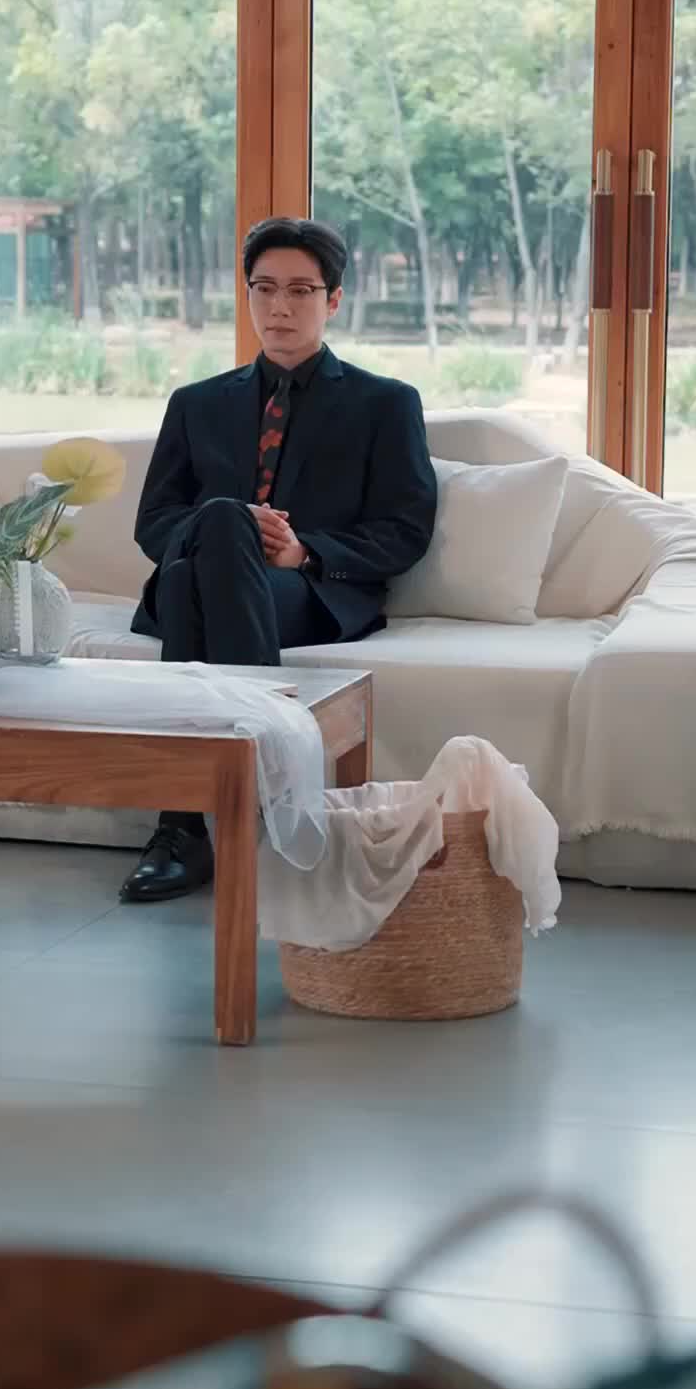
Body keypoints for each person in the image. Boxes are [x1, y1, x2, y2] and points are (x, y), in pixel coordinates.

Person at [120, 215, 438, 904]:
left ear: (334, 300)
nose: (279, 307)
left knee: (192, 578)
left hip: (304, 592)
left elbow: (404, 529)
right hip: (201, 583)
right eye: (264, 288)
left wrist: (304, 551)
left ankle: (181, 830)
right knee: (213, 530)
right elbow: (154, 522)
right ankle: (270, 801)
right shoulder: (196, 404)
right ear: (247, 295)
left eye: (300, 290)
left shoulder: (386, 404)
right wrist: (225, 525)